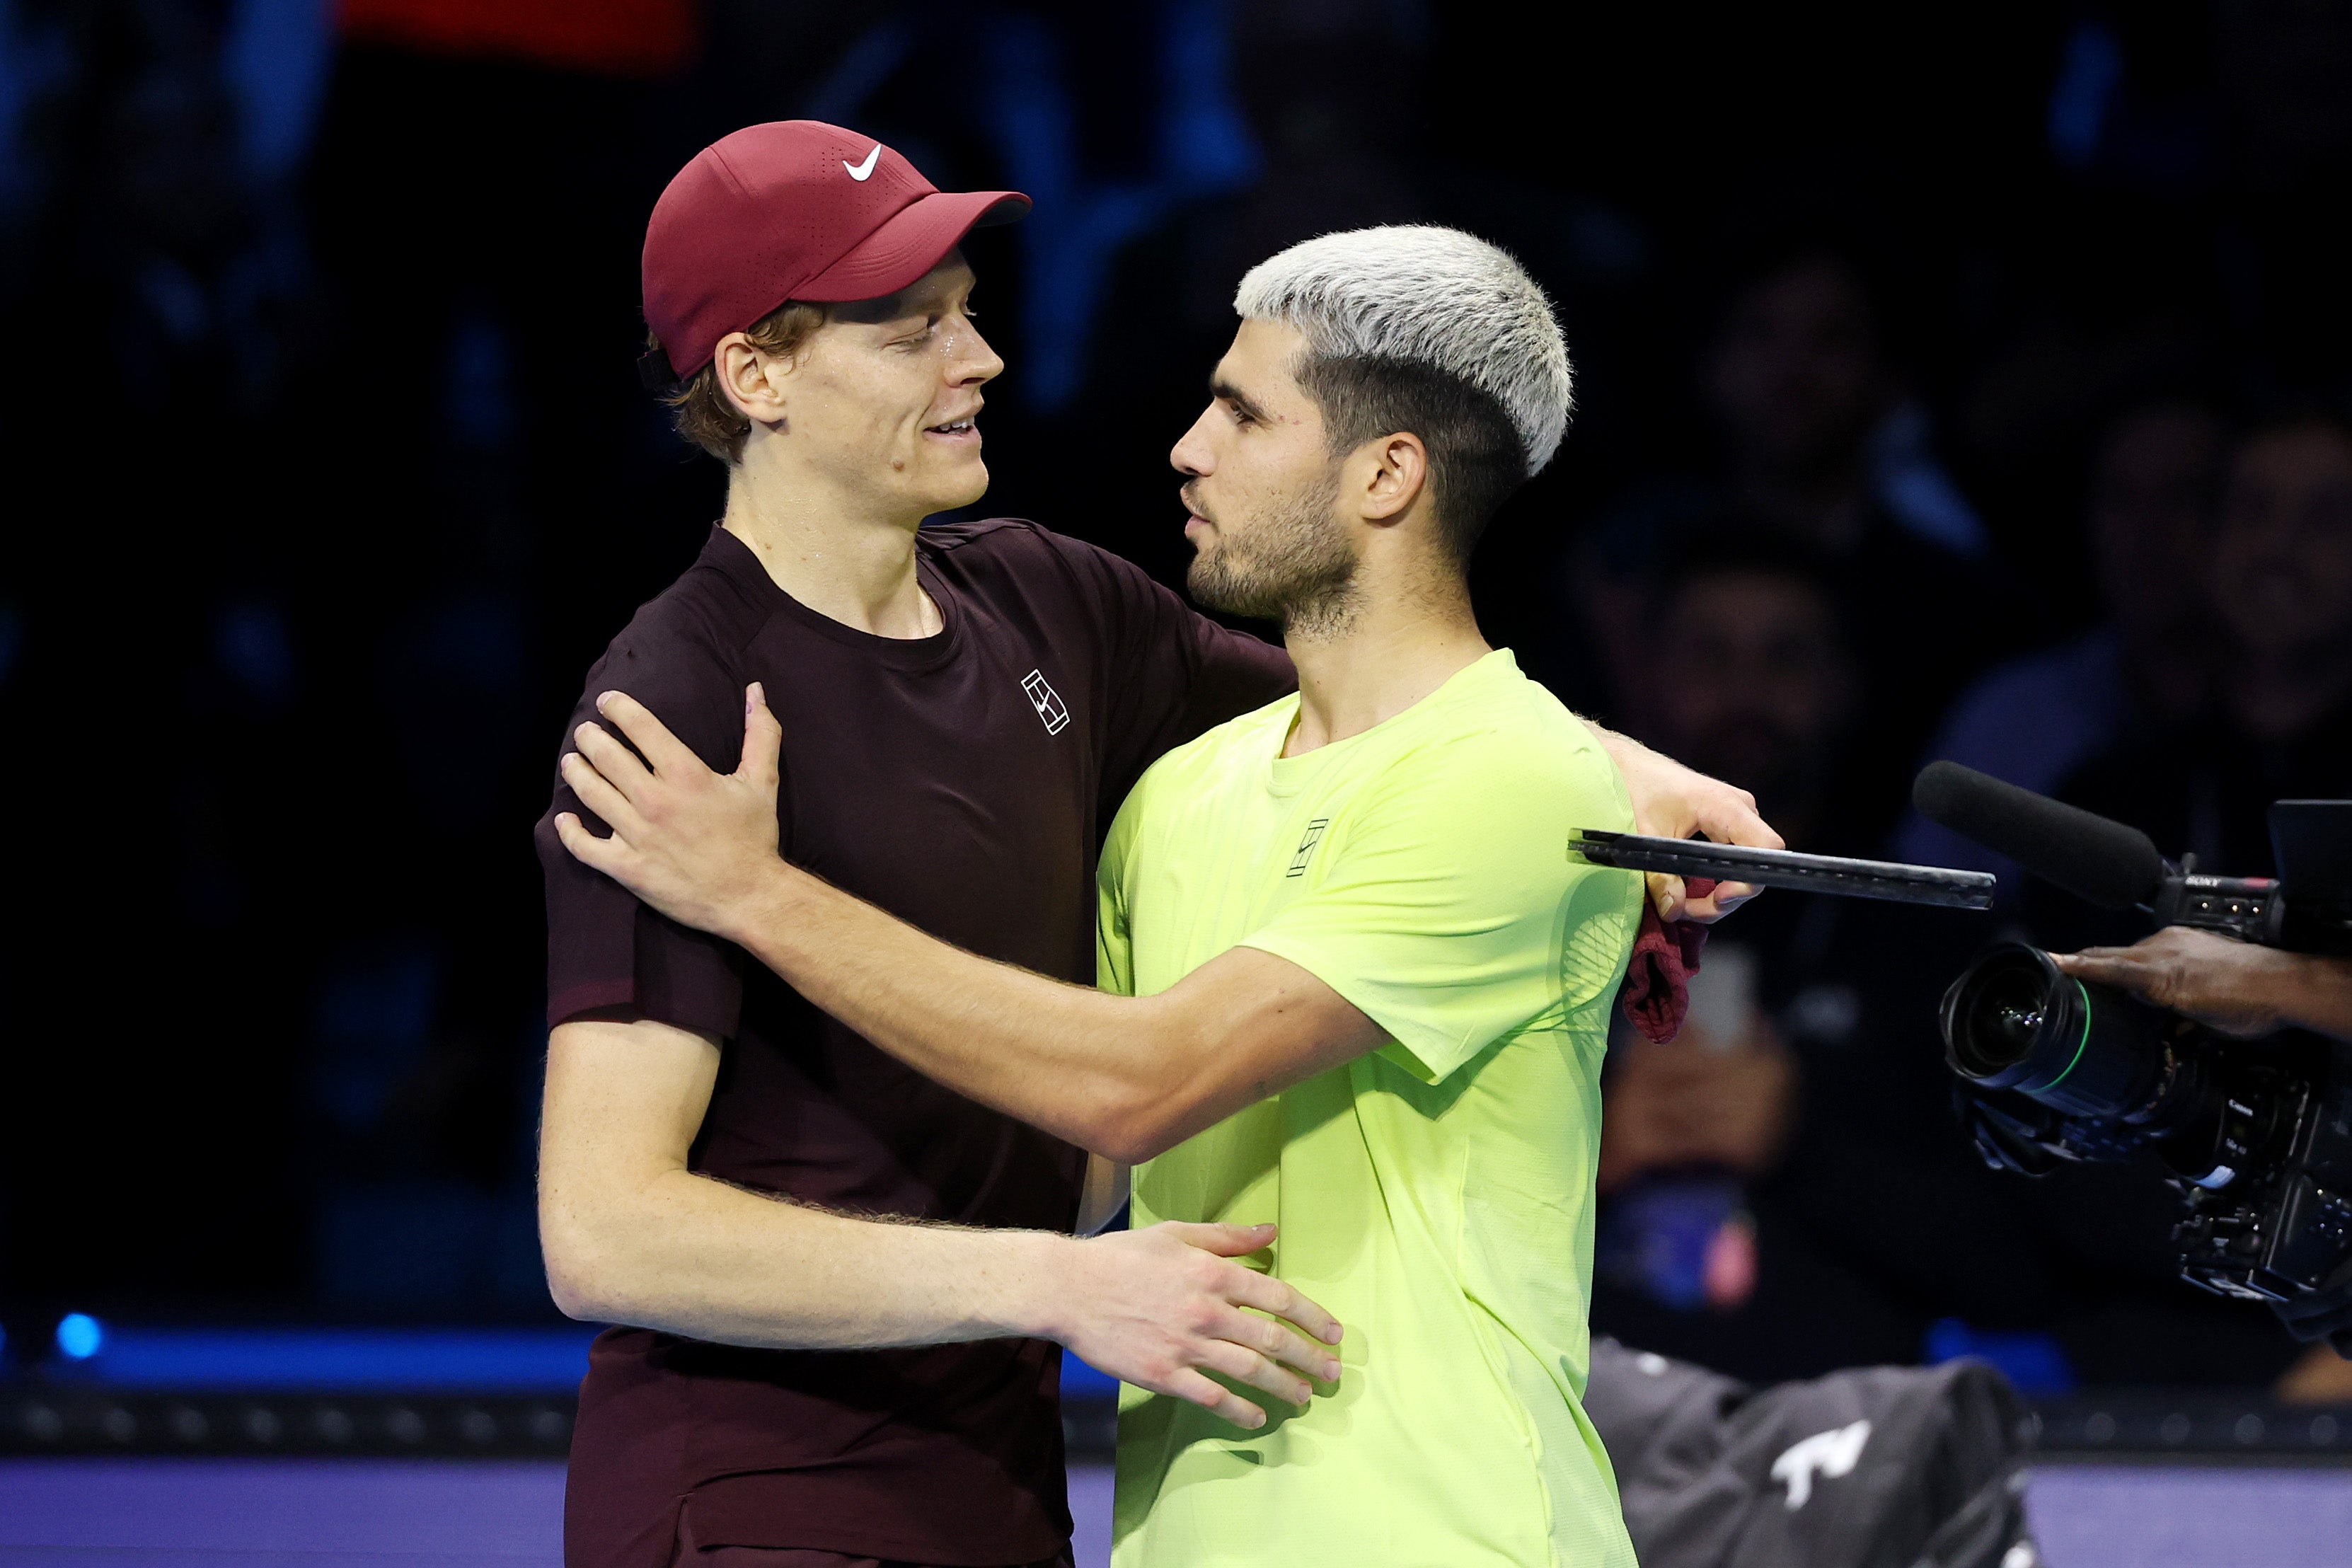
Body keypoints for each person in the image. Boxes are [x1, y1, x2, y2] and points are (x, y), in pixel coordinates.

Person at [534, 124, 1770, 1568]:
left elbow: (1399, 699)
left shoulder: (1053, 607)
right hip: (760, 1495)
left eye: (972, 311)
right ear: (755, 378)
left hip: (1003, 1486)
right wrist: (1053, 1280)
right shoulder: (681, 701)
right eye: (912, 329)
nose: (980, 360)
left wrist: (1629, 772)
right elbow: (604, 1232)